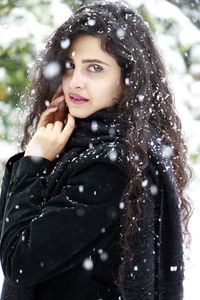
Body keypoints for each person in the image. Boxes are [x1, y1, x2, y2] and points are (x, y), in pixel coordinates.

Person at [0, 1, 191, 299]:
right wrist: (34, 159)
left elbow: (19, 261)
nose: (76, 82)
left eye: (95, 69)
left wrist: (33, 162)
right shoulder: (87, 144)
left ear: (127, 82)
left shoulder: (109, 165)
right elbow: (11, 233)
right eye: (70, 66)